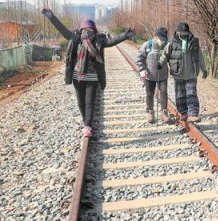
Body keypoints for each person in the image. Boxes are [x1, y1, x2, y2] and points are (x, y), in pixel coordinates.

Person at [41, 8, 136, 137]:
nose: (87, 32)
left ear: (94, 30)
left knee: (90, 102)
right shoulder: (76, 38)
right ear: (81, 30)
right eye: (85, 29)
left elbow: (111, 42)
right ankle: (86, 121)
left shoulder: (99, 41)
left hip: (92, 77)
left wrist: (125, 35)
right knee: (81, 102)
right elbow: (62, 29)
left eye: (90, 29)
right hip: (77, 76)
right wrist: (51, 17)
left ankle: (88, 125)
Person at [164, 22, 208, 122]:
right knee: (180, 95)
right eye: (182, 33)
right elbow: (164, 55)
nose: (184, 35)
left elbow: (200, 57)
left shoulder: (194, 41)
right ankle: (183, 112)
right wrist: (159, 64)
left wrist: (204, 69)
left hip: (191, 73)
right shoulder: (171, 43)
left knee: (191, 93)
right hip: (178, 73)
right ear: (177, 32)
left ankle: (193, 113)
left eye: (186, 33)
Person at [136, 27, 171, 124]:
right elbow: (140, 58)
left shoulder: (168, 45)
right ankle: (150, 112)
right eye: (160, 37)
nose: (162, 39)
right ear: (156, 35)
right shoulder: (148, 44)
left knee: (163, 92)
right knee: (149, 94)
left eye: (164, 37)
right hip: (149, 76)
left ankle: (164, 112)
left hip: (163, 75)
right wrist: (142, 69)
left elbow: (172, 59)